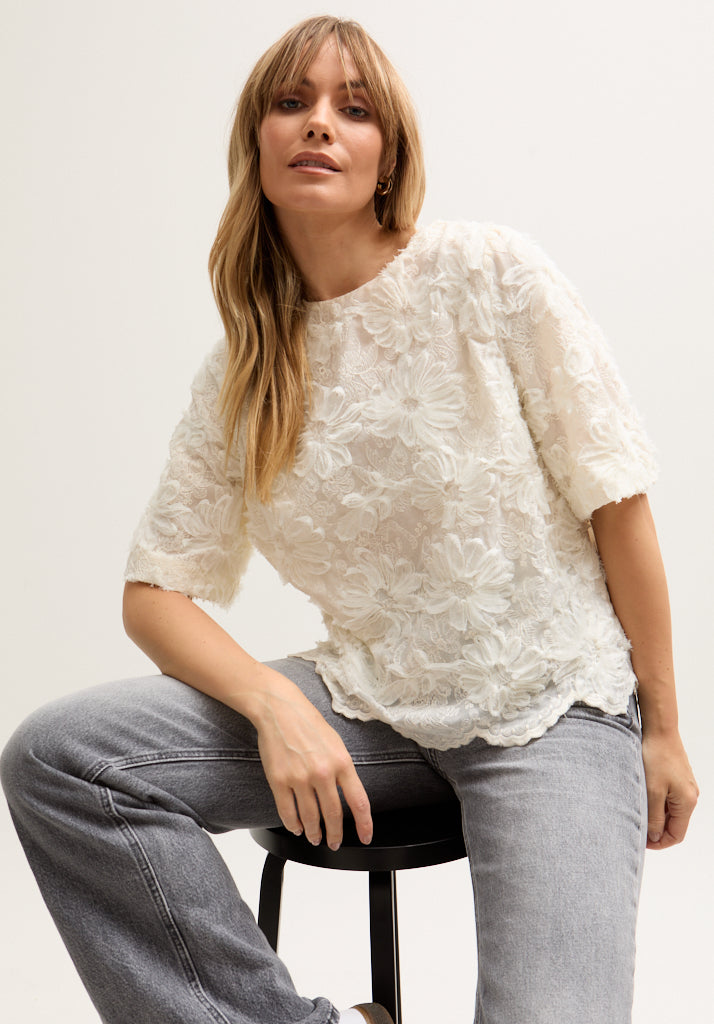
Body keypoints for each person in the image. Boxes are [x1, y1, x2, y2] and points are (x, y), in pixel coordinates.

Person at [1, 14, 699, 1024]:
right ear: (257, 145)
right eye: (292, 103)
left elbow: (617, 504)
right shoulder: (245, 372)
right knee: (64, 758)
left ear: (387, 157)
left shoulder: (487, 275)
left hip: (554, 706)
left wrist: (665, 726)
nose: (319, 124)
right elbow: (154, 592)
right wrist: (277, 706)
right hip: (370, 705)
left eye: (352, 108)